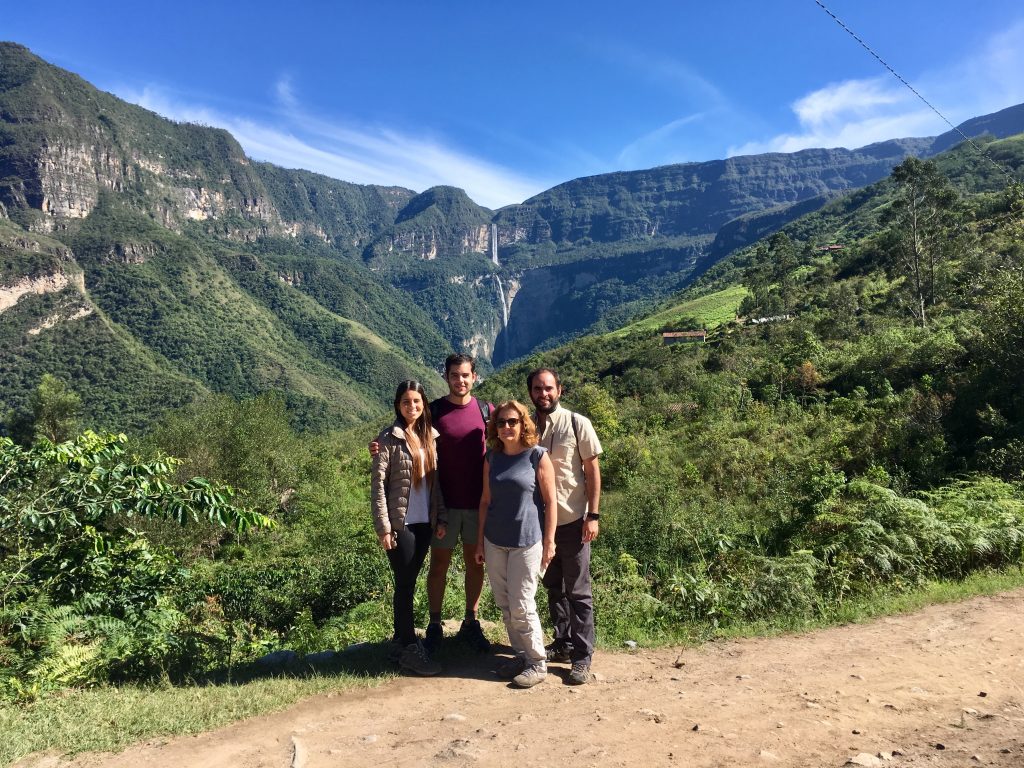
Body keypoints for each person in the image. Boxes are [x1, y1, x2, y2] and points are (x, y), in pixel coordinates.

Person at [370, 353, 493, 654]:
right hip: (443, 506)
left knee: (475, 565)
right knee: (438, 566)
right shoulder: (434, 411)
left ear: (474, 377)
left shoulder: (486, 411)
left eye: (465, 375)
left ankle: (471, 621)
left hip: (478, 503)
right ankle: (435, 625)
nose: (460, 380)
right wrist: (378, 444)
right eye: (454, 375)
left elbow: (509, 440)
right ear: (447, 377)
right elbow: (405, 429)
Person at [528, 368, 603, 685]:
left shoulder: (577, 423)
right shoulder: (527, 427)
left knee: (579, 591)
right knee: (553, 586)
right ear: (531, 392)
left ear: (559, 389)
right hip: (540, 523)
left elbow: (592, 471)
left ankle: (583, 657)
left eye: (548, 388)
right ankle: (564, 643)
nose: (543, 393)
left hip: (573, 520)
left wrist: (594, 515)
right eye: (537, 389)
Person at [474, 400, 556, 688]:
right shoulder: (491, 458)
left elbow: (550, 501)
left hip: (526, 541)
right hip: (495, 540)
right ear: (494, 427)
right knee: (505, 604)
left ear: (523, 425)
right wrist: (480, 543)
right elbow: (485, 501)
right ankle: (521, 655)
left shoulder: (537, 456)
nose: (507, 427)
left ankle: (537, 662)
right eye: (501, 422)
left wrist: (549, 540)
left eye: (512, 421)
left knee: (522, 604)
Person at [371, 380, 447, 676]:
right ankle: (407, 644)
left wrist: (440, 518)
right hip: (400, 523)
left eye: (417, 401)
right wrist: (384, 527)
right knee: (404, 582)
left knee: (410, 580)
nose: (412, 407)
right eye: (406, 402)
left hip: (424, 522)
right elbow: (378, 486)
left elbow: (435, 483)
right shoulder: (388, 439)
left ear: (424, 404)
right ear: (397, 405)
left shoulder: (430, 436)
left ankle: (402, 642)